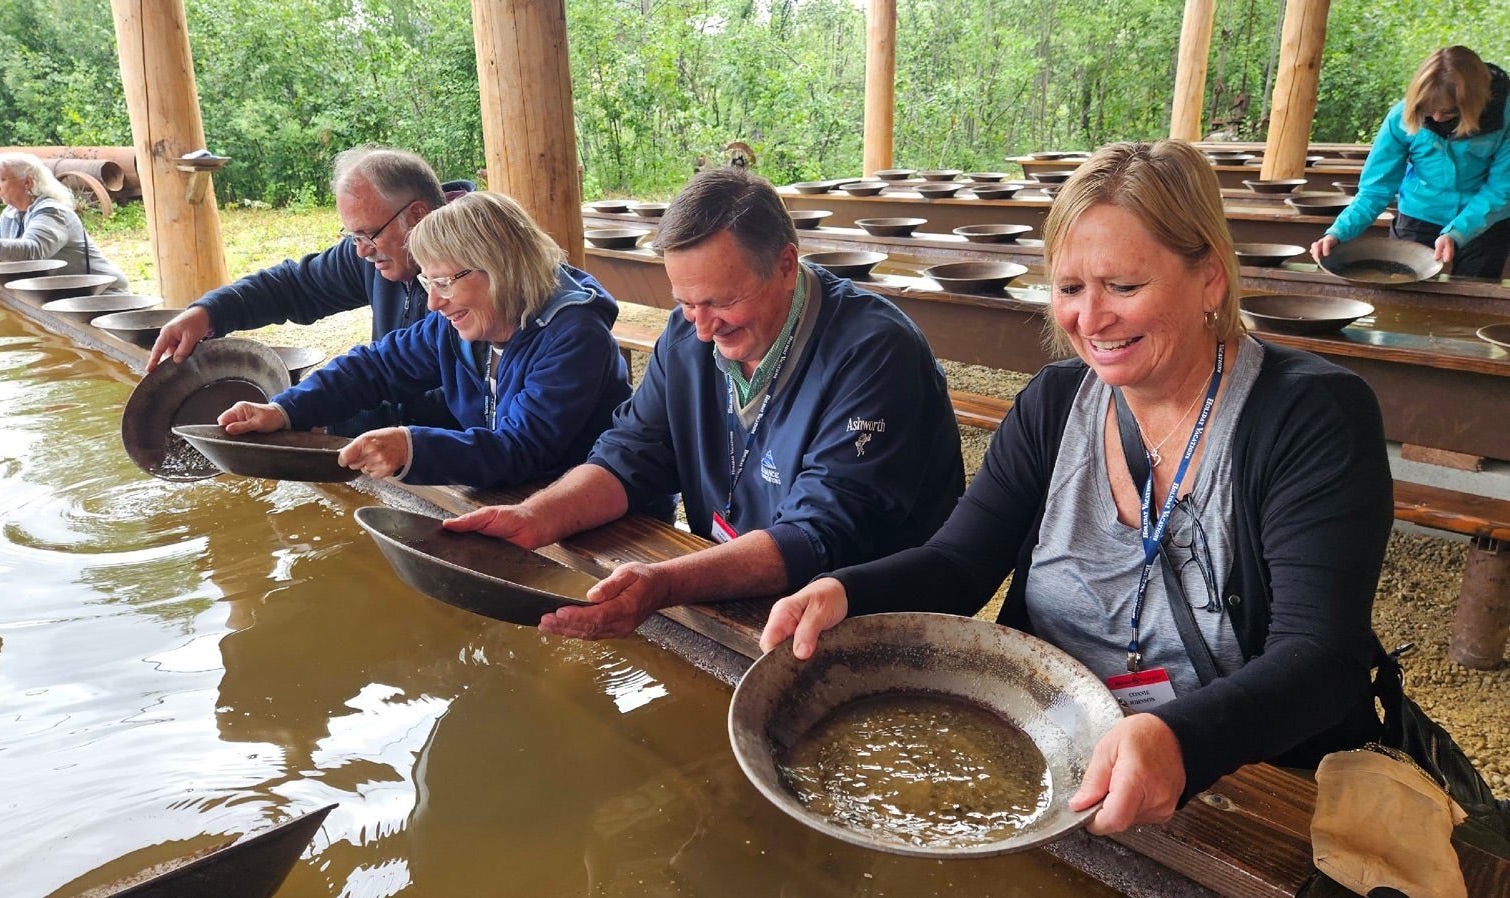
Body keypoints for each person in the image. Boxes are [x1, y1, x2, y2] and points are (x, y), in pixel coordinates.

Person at [763, 140, 1394, 836]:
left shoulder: (1310, 417)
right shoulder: (1055, 402)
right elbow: (959, 563)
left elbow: (1321, 657)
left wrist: (1181, 739)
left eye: (1122, 287)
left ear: (1211, 279)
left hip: (1235, 783)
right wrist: (844, 591)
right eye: (1068, 289)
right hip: (1049, 758)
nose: (1089, 320)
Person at [444, 165, 965, 640]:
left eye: (720, 301)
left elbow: (821, 533)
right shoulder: (685, 335)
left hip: (871, 621)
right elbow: (629, 454)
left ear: (786, 265)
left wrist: (665, 583)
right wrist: (535, 517)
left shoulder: (877, 352)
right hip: (741, 592)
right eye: (686, 302)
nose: (702, 328)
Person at [215, 192, 631, 488]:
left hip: (599, 516)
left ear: (500, 269)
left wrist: (411, 447)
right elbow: (376, 367)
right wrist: (284, 410)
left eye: (443, 282)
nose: (433, 303)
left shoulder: (573, 336)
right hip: (517, 496)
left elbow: (521, 449)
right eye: (427, 283)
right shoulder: (460, 325)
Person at [145, 145, 480, 435]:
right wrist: (209, 313)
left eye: (368, 234)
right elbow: (296, 286)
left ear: (418, 215)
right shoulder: (382, 249)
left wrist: (330, 419)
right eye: (352, 237)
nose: (361, 252)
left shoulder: (478, 279)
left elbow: (458, 402)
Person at [1311, 46, 1510, 280]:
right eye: (1428, 109)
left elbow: (1501, 189)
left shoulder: (1504, 117)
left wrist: (1457, 232)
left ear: (1472, 102)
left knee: (1474, 292)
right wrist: (1338, 232)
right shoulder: (1400, 116)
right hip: (1419, 213)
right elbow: (1375, 189)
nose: (1437, 118)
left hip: (1485, 218)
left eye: (1448, 112)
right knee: (1403, 287)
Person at [0, 152, 130, 292]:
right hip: (67, 294)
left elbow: (32, 252)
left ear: (28, 182)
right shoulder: (12, 212)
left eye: (2, 180)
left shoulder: (52, 212)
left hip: (101, 295)